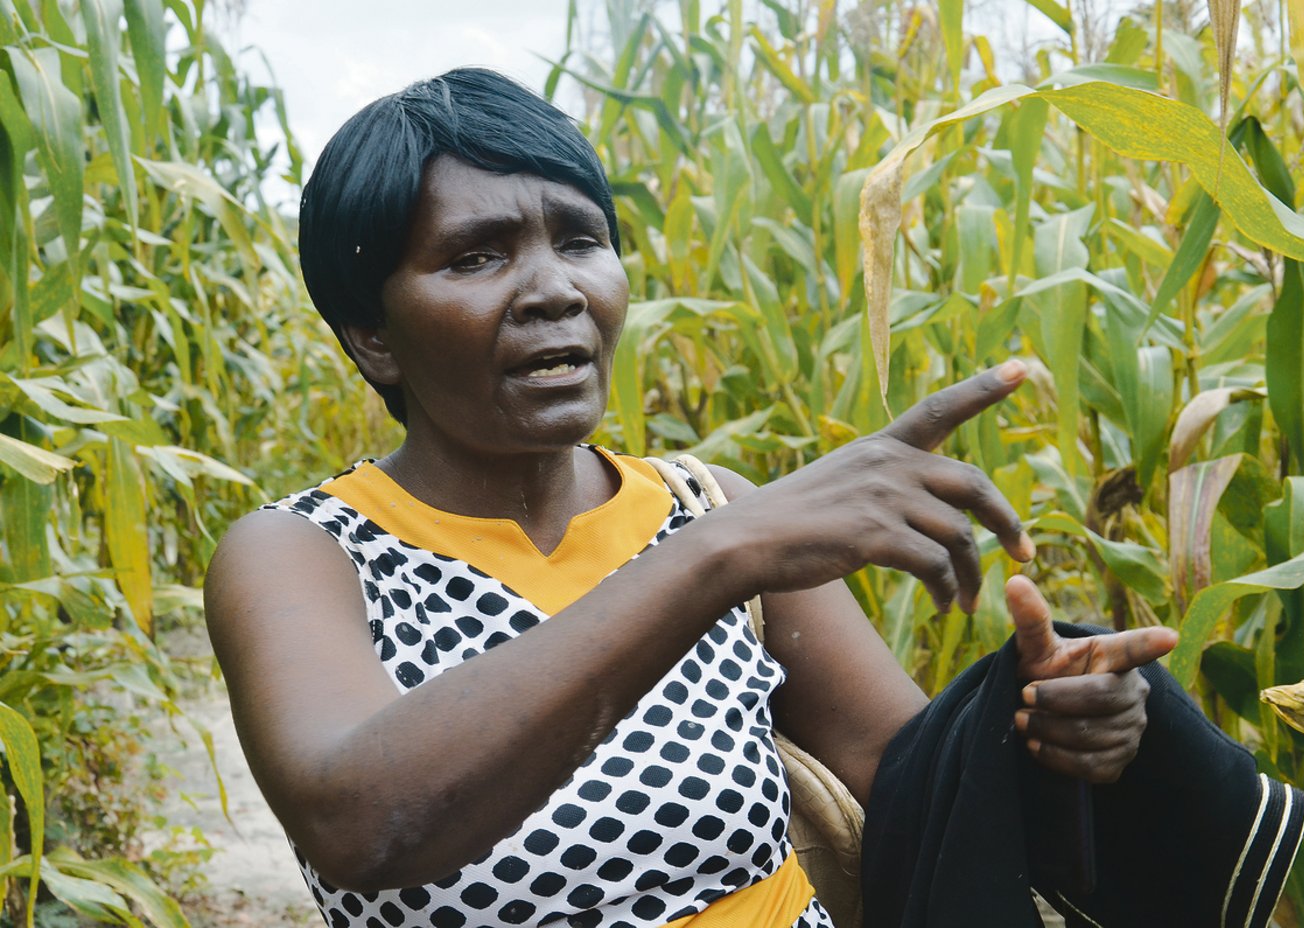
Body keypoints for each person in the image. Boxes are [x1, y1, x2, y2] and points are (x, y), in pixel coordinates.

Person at [203, 68, 1235, 928]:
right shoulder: (303, 551)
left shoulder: (702, 503)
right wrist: (708, 559)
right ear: (371, 332)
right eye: (476, 256)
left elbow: (903, 777)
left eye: (577, 239)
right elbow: (358, 820)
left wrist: (1051, 733)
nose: (553, 286)